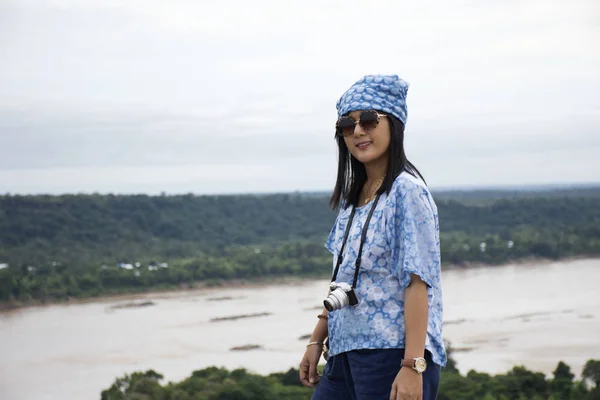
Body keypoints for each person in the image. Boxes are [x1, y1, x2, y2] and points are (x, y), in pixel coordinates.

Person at [299, 74, 447, 400]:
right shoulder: (355, 199)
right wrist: (316, 339)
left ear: (393, 124)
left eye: (368, 119)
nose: (359, 131)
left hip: (390, 354)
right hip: (344, 353)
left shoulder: (406, 191)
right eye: (347, 125)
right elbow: (343, 278)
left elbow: (417, 283)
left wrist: (412, 365)